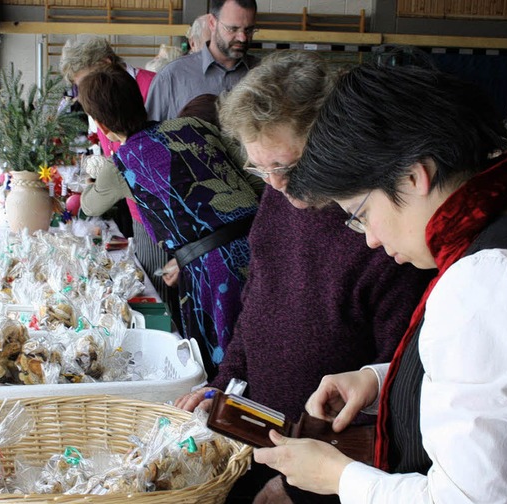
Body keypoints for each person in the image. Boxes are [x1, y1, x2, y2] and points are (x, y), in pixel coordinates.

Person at [255, 59, 507, 503]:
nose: (370, 239)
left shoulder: (484, 281)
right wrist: (382, 380)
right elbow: (499, 372)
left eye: (362, 214)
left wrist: (340, 479)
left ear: (413, 177)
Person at [175, 51, 433, 503]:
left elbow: (398, 399)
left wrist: (303, 492)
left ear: (333, 142)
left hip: (328, 473)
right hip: (260, 436)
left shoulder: (386, 234)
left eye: (286, 167)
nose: (274, 183)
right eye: (260, 169)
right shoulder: (280, 200)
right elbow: (255, 305)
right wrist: (224, 383)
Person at [76, 62, 261, 379]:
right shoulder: (194, 126)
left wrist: (92, 180)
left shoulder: (121, 164)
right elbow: (254, 180)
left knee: (227, 364)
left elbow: (89, 206)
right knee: (265, 340)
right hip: (260, 242)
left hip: (214, 268)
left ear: (103, 127)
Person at [59, 36, 173, 307]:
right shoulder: (97, 95)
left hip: (166, 213)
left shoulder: (154, 85)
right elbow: (110, 147)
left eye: (85, 81)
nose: (84, 92)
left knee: (165, 297)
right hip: (134, 210)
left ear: (106, 63)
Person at [145, 0, 260, 121]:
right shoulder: (172, 76)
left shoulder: (265, 75)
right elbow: (148, 136)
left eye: (249, 30)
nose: (242, 38)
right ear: (212, 23)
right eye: (233, 29)